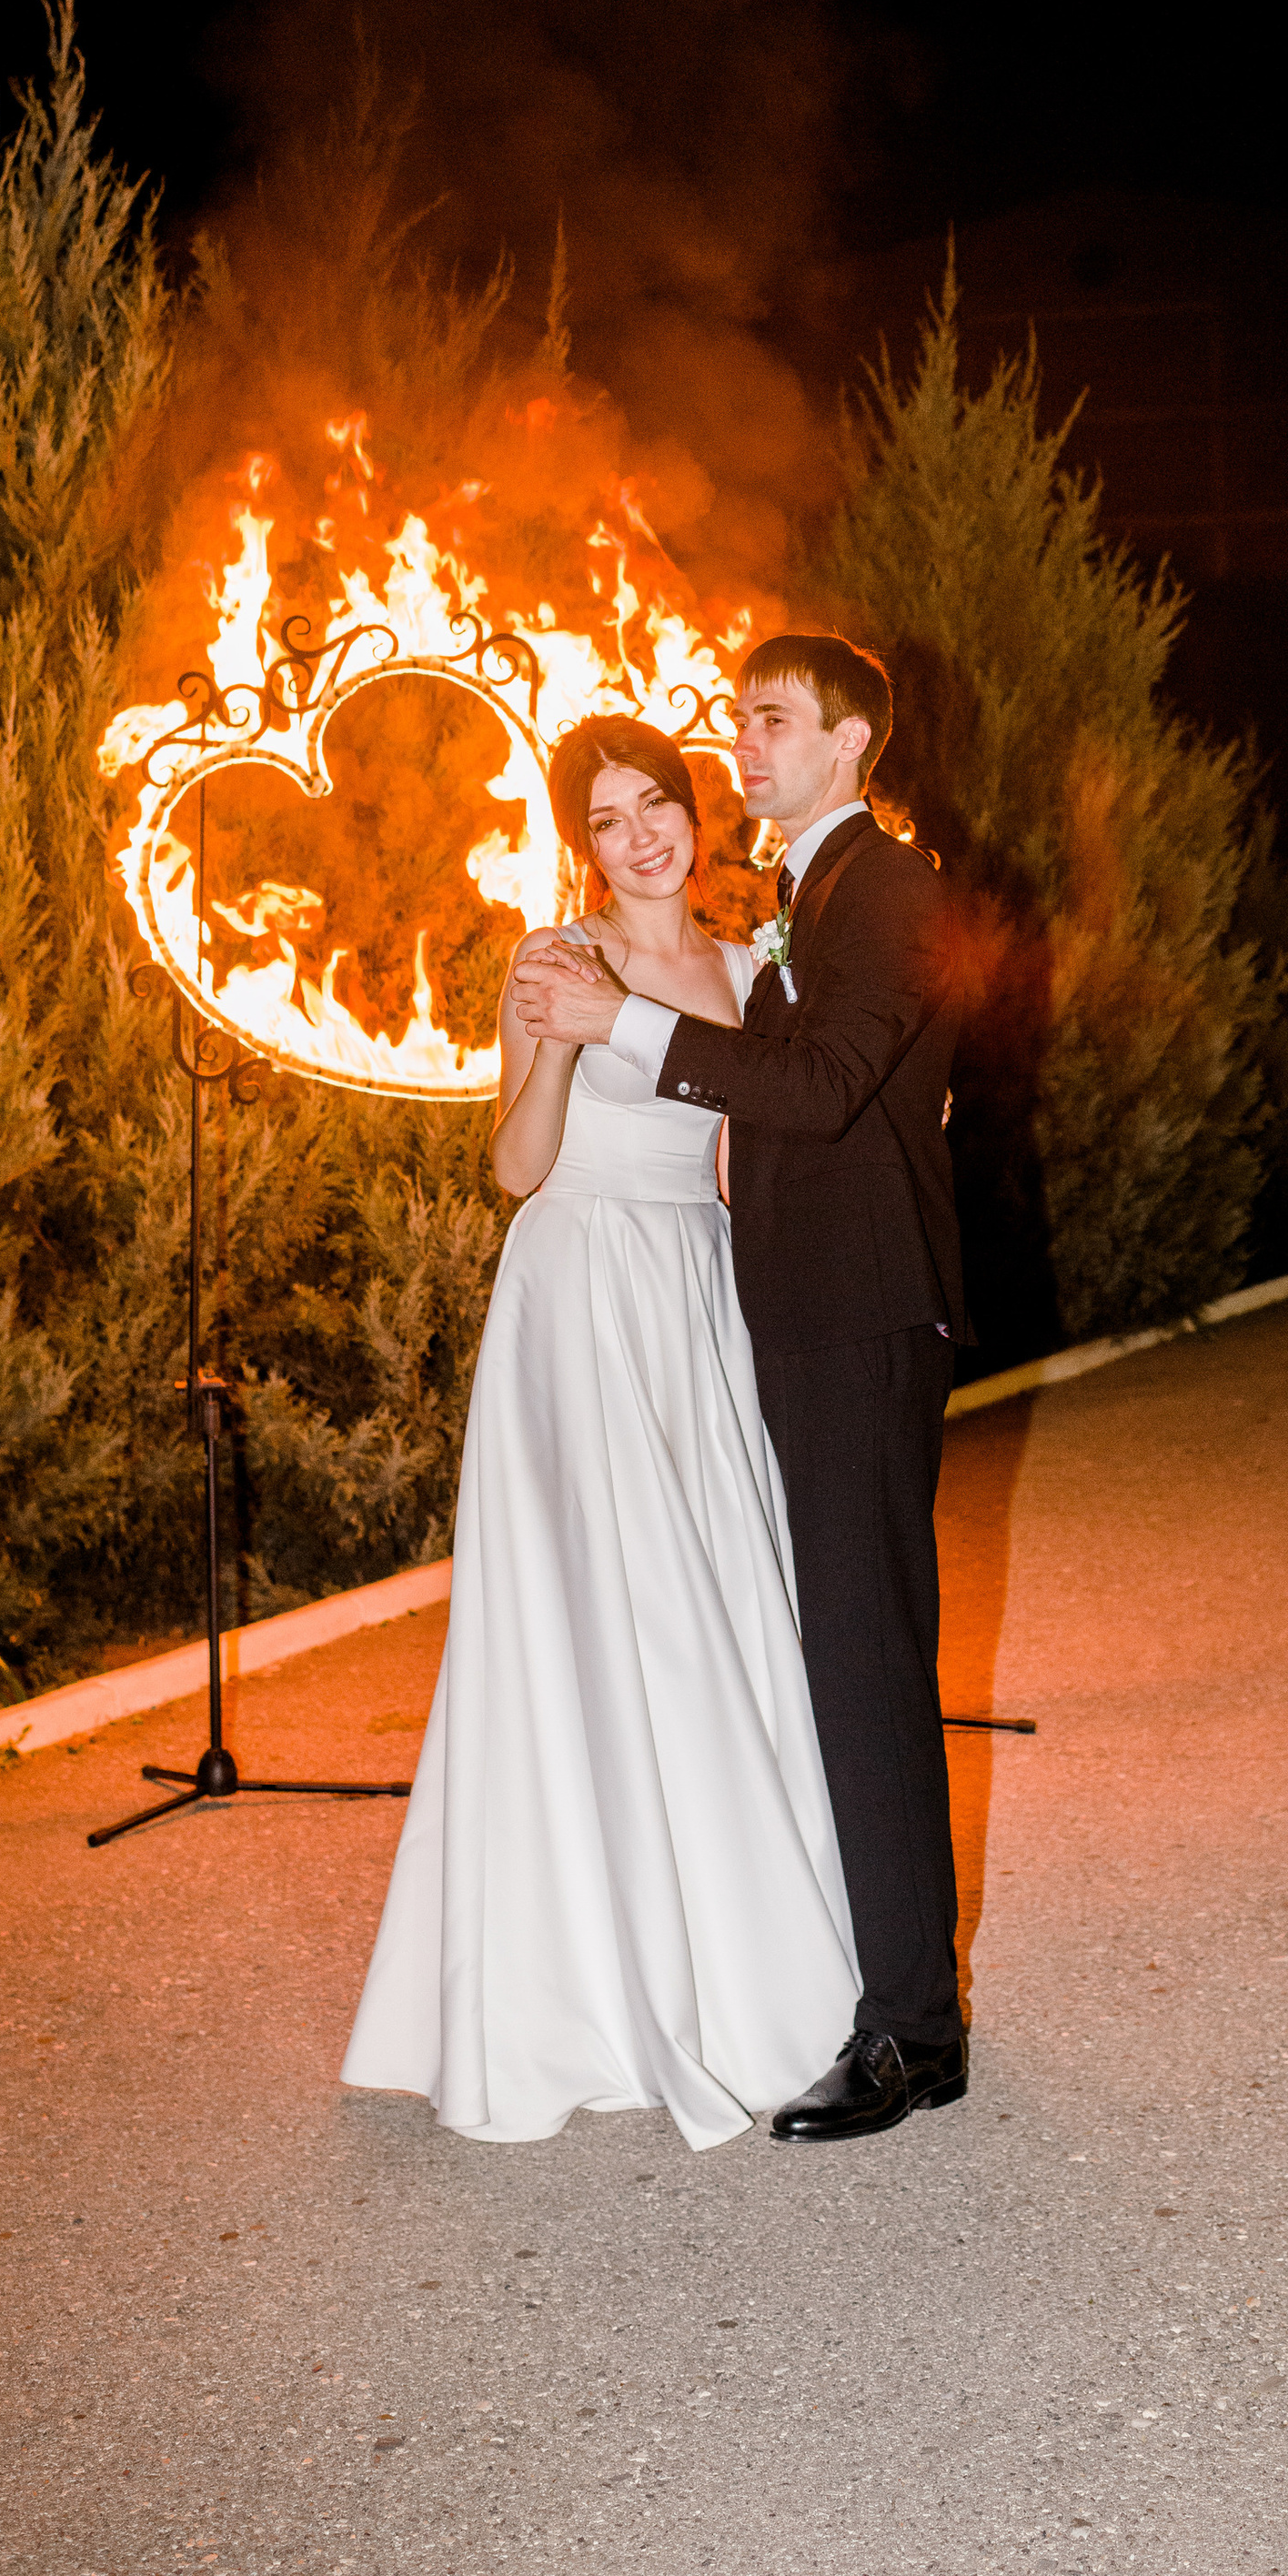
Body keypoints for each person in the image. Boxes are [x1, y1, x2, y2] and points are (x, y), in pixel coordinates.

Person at [340, 716, 858, 2153]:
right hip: (577, 1294)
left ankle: (739, 1946)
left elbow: (756, 1160)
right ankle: (581, 1979)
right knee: (600, 1615)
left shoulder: (749, 974)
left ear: (695, 816)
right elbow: (515, 1168)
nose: (643, 838)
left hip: (701, 1293)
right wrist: (562, 1042)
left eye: (658, 807)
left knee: (715, 1597)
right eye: (610, 819)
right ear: (583, 843)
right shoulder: (553, 960)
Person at [513, 633, 971, 2146]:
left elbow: (826, 1087)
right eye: (741, 722)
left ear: (849, 742)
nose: (746, 745)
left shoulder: (882, 887)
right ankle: (896, 2002)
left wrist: (623, 1027)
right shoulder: (804, 898)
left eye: (773, 720)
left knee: (866, 1660)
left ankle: (910, 2035)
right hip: (798, 1311)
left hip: (856, 1317)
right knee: (839, 1653)